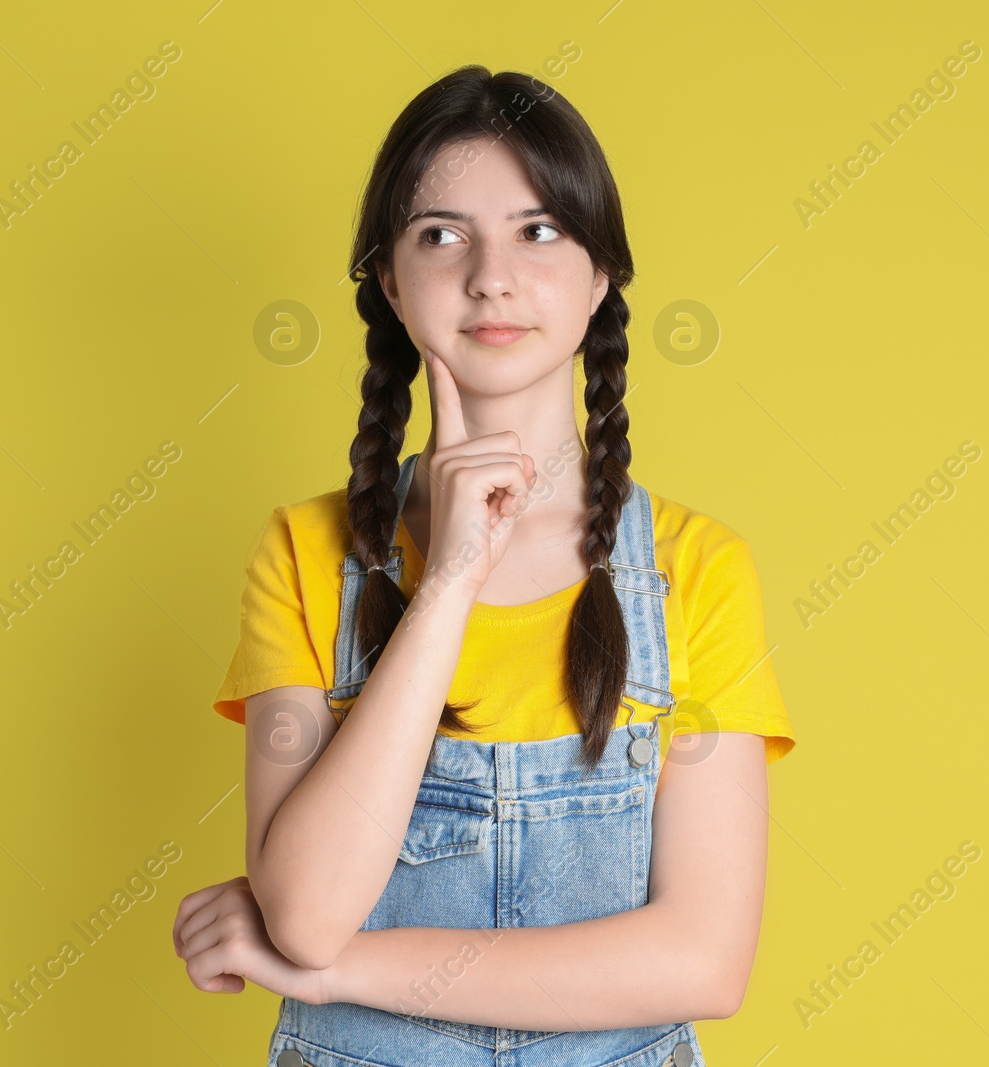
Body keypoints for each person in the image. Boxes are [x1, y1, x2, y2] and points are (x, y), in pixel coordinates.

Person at [172, 65, 796, 1067]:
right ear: (388, 277)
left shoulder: (697, 570)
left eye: (538, 230)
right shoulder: (304, 552)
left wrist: (340, 973)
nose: (491, 276)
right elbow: (305, 909)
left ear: (600, 278)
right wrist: (453, 571)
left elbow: (702, 959)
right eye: (441, 233)